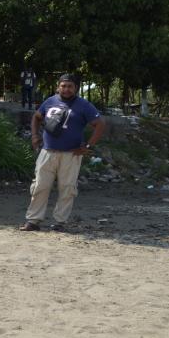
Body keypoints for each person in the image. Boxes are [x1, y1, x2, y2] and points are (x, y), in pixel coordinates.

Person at [20, 73, 106, 232]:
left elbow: (99, 125)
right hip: (47, 151)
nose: (66, 89)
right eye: (63, 86)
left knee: (67, 188)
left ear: (76, 88)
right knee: (40, 186)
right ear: (58, 87)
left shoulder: (84, 105)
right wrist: (34, 136)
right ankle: (33, 221)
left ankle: (60, 222)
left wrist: (88, 146)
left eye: (70, 86)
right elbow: (37, 117)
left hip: (71, 155)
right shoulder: (50, 101)